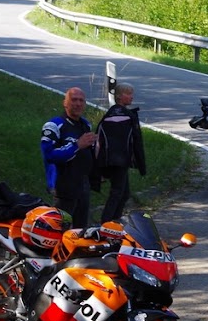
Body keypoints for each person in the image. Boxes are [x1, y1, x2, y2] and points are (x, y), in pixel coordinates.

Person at [42, 87, 97, 228]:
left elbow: (86, 152)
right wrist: (77, 145)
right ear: (65, 103)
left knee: (80, 230)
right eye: (74, 100)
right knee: (59, 229)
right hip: (63, 185)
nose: (78, 104)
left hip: (83, 184)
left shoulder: (85, 124)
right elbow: (50, 155)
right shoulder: (54, 125)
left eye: (81, 100)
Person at [94, 82, 146, 223]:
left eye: (131, 93)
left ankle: (115, 221)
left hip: (111, 160)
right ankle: (106, 223)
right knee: (117, 192)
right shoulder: (127, 116)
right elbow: (136, 141)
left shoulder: (109, 115)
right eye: (128, 94)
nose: (131, 97)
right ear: (119, 96)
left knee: (124, 193)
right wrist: (141, 165)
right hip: (120, 160)